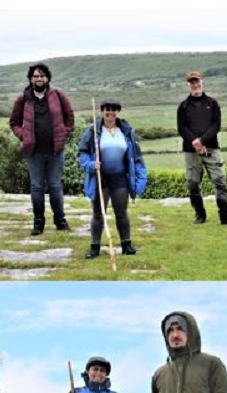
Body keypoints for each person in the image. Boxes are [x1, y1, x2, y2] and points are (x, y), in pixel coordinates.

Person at [9, 63, 75, 235]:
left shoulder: (58, 95)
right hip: (33, 152)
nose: (39, 79)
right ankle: (38, 223)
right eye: (36, 76)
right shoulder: (23, 99)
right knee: (36, 186)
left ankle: (60, 221)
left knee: (55, 186)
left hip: (55, 150)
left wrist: (66, 132)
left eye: (42, 76)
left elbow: (69, 117)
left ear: (48, 78)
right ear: (31, 79)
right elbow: (14, 123)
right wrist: (23, 135)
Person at [77, 98, 147, 258]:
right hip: (100, 178)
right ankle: (94, 248)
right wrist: (90, 164)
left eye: (114, 109)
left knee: (121, 212)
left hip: (120, 179)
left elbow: (137, 157)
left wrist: (141, 178)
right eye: (107, 109)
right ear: (102, 112)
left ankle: (127, 245)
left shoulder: (127, 131)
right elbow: (82, 153)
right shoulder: (93, 131)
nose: (110, 112)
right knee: (98, 214)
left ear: (118, 112)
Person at [176, 72, 227, 226]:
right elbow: (181, 128)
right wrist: (195, 142)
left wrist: (202, 141)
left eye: (197, 81)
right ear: (188, 85)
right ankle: (200, 215)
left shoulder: (212, 103)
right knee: (193, 184)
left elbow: (216, 125)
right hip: (191, 150)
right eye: (192, 83)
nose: (195, 85)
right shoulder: (183, 106)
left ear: (202, 82)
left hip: (212, 148)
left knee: (219, 182)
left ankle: (225, 216)